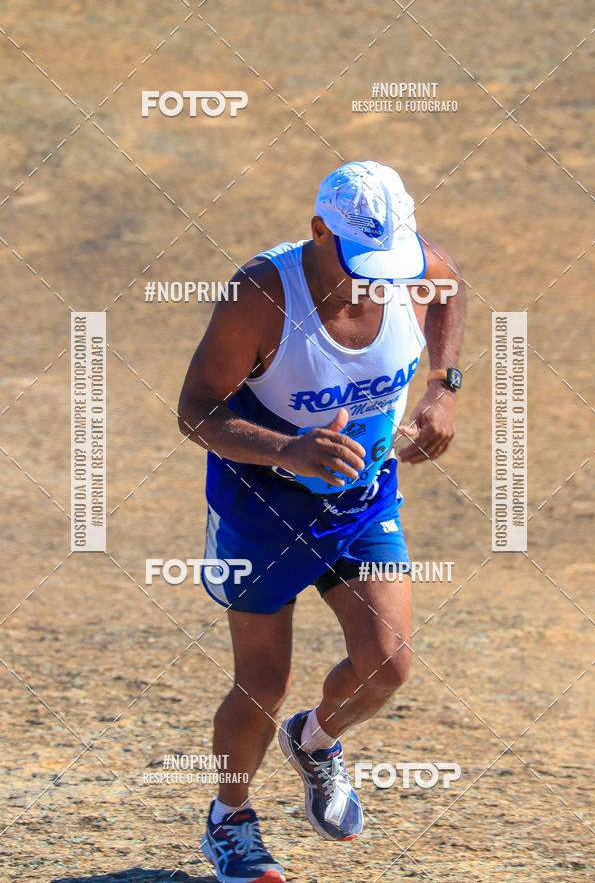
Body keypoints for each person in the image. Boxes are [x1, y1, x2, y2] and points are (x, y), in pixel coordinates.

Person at [178, 160, 465, 883]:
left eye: (390, 262)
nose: (378, 281)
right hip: (261, 509)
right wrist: (288, 450)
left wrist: (443, 387)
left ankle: (315, 739)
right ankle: (228, 821)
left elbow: (450, 289)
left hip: (362, 499)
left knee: (388, 664)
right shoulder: (262, 295)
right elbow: (196, 411)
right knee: (261, 682)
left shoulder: (411, 264)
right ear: (318, 231)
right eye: (363, 262)